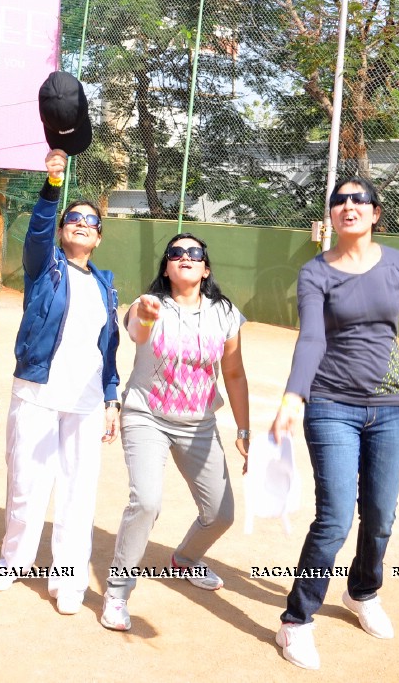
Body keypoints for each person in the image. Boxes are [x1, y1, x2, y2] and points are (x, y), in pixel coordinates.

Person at [270, 177, 399, 670]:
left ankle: (362, 592)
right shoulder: (315, 272)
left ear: (376, 213)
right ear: (331, 216)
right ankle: (296, 621)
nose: (348, 206)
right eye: (339, 200)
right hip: (331, 404)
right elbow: (311, 338)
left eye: (359, 199)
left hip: (391, 408)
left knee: (380, 516)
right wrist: (295, 393)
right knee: (335, 517)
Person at [0, 149, 120, 616]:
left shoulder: (106, 284)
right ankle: (13, 560)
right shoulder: (45, 268)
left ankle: (67, 578)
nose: (83, 224)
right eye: (74, 219)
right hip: (39, 393)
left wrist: (110, 397)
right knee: (28, 482)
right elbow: (39, 232)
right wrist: (51, 187)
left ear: (100, 237)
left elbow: (109, 346)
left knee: (79, 489)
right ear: (65, 230)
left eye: (91, 222)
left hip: (85, 400)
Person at [100, 234, 250, 632]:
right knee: (146, 502)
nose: (185, 257)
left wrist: (244, 426)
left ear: (206, 267)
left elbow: (233, 372)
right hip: (147, 416)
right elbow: (137, 332)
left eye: (194, 253)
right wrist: (145, 313)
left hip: (199, 423)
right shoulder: (148, 305)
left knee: (220, 514)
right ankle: (116, 592)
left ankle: (185, 559)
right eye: (176, 253)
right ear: (166, 267)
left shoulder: (225, 313)